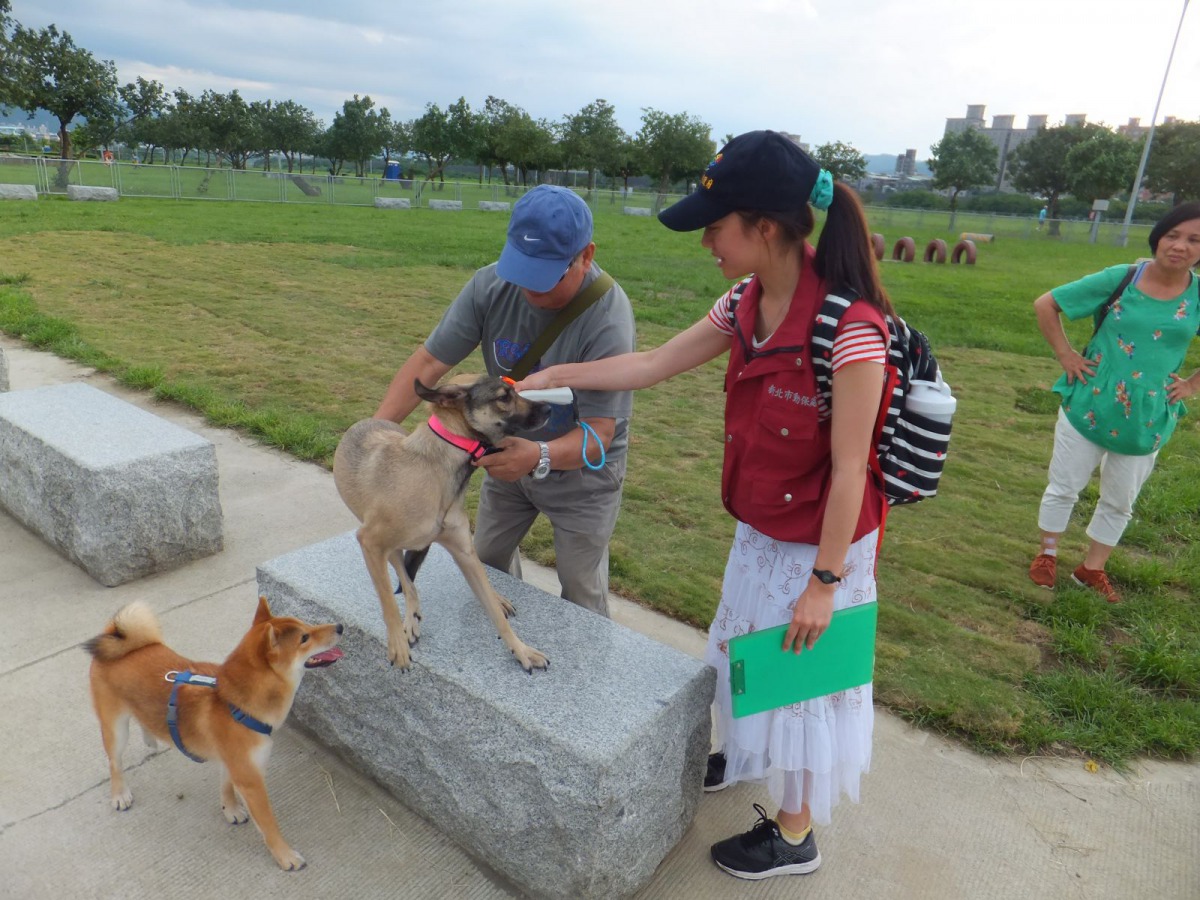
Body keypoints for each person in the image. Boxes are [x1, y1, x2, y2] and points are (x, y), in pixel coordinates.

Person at [516, 131, 890, 880]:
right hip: (762, 529)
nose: (707, 242)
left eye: (715, 227)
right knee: (745, 649)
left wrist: (825, 584)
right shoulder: (746, 300)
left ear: (767, 228)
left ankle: (794, 836)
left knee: (804, 684)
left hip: (821, 544)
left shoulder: (850, 332)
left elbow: (852, 470)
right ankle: (749, 754)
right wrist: (558, 371)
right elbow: (655, 362)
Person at [373, 185, 635, 617]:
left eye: (544, 274)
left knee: (582, 588)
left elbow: (600, 433)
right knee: (486, 563)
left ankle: (576, 677)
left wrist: (538, 455)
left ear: (585, 256)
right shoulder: (489, 285)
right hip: (507, 460)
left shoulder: (608, 315)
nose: (529, 288)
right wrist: (374, 437)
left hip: (583, 475)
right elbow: (428, 362)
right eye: (522, 269)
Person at [1029, 202, 1200, 602]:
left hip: (1148, 416)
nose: (1180, 246)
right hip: (1091, 402)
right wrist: (1066, 356)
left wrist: (1192, 385)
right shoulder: (1121, 278)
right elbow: (1046, 304)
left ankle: (1092, 568)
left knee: (1121, 498)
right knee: (1065, 485)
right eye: (1173, 235)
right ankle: (1047, 553)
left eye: (1194, 240)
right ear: (1158, 236)